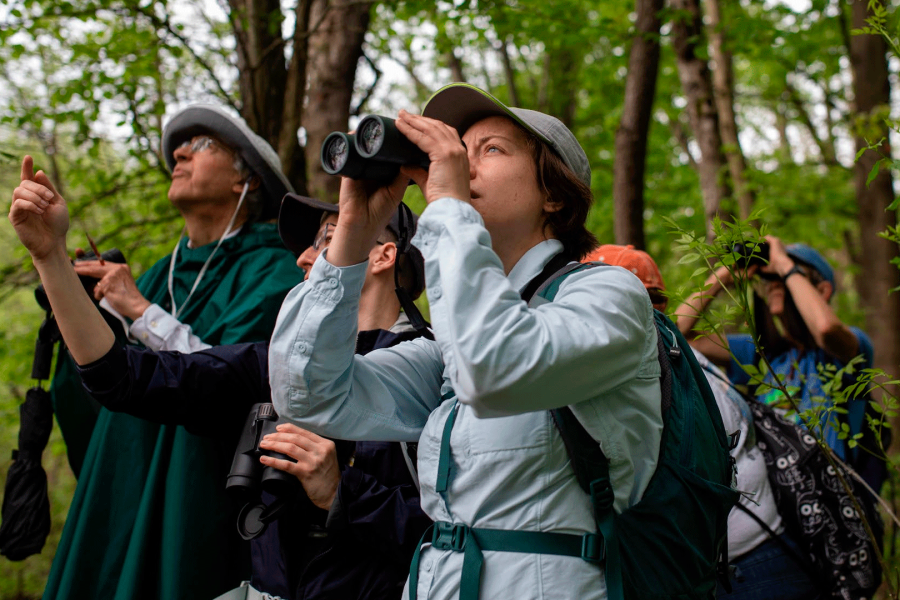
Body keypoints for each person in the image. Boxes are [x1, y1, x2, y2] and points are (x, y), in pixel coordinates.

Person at [267, 84, 663, 599]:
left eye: (491, 149)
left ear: (554, 194)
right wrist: (352, 238)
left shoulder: (609, 295)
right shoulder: (447, 348)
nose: (459, 165)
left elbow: (494, 367)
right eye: (457, 151)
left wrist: (449, 207)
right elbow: (308, 395)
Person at [9, 175, 434, 598]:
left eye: (327, 238)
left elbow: (459, 538)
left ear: (382, 255)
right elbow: (123, 377)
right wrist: (51, 258)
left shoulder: (439, 372)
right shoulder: (275, 365)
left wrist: (345, 493)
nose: (304, 258)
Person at [11, 104, 303, 600]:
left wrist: (141, 311)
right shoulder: (158, 273)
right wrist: (53, 261)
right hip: (121, 485)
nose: (181, 153)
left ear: (246, 182)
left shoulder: (277, 272)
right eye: (179, 147)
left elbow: (233, 382)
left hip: (197, 496)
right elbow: (104, 381)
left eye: (204, 144)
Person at [591, 244, 819, 600]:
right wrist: (725, 274)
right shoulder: (607, 373)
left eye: (656, 297)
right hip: (703, 569)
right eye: (632, 294)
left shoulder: (682, 353)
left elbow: (675, 328)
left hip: (763, 554)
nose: (649, 308)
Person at [673, 237, 882, 490]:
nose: (774, 281)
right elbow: (677, 335)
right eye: (770, 274)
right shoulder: (763, 354)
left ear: (823, 290)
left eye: (787, 274)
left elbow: (826, 328)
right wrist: (724, 277)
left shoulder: (845, 349)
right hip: (779, 509)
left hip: (832, 503)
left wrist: (783, 264)